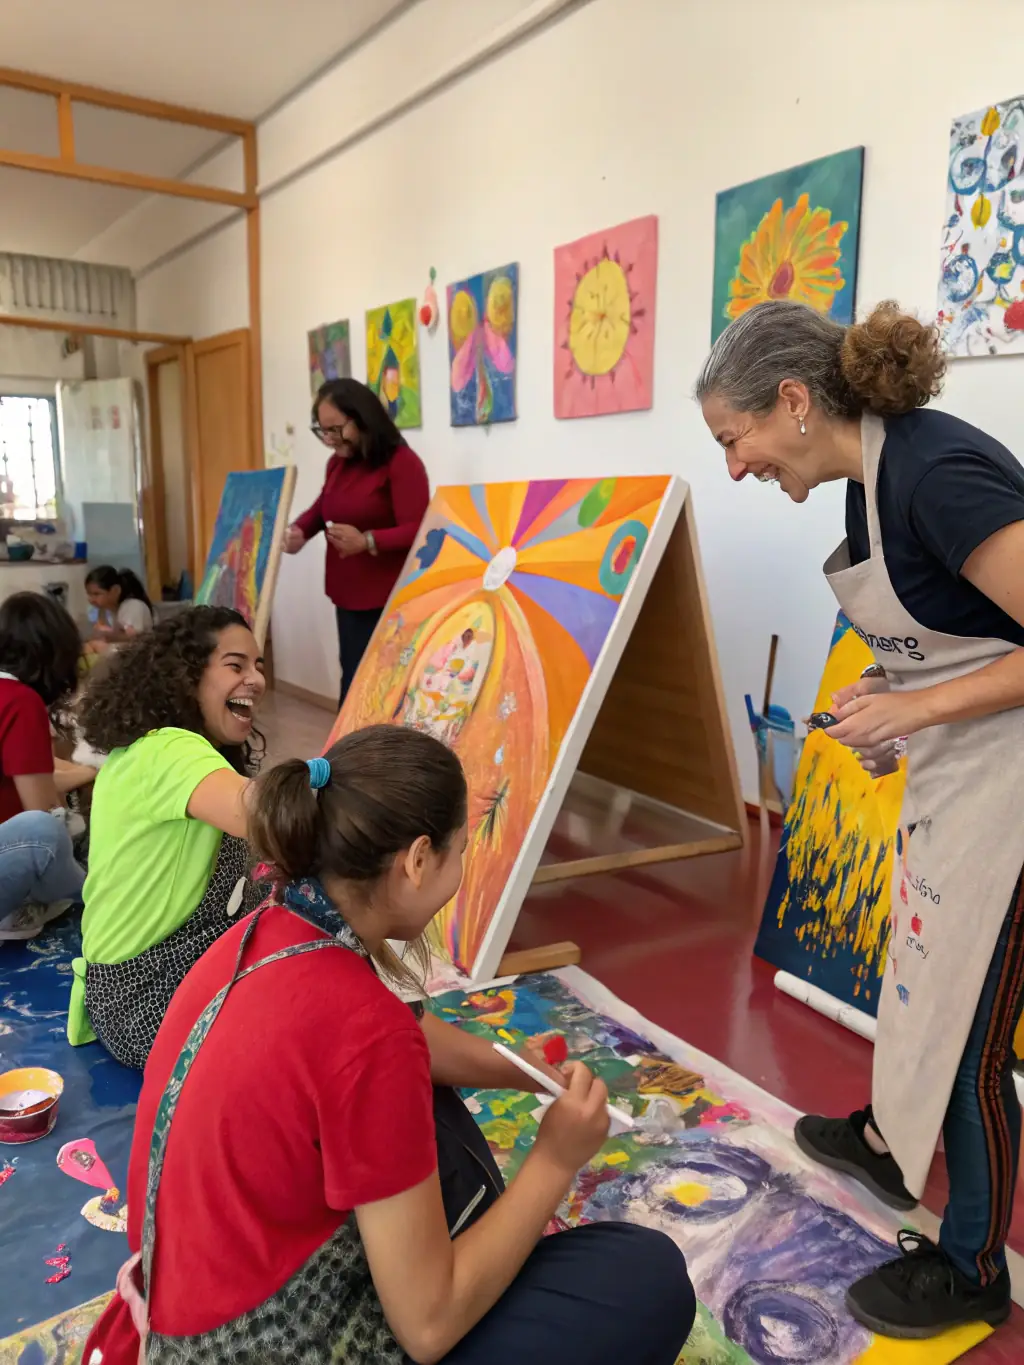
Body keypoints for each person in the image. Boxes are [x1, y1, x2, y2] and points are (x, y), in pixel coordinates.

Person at [81, 724, 694, 1365]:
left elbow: (392, 1032)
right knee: (644, 1276)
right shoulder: (369, 1035)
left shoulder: (265, 929)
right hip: (266, 1342)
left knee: (436, 1118)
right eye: (460, 852)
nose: (459, 872)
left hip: (172, 1325)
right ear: (417, 859)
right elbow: (428, 1329)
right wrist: (554, 1158)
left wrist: (517, 1070)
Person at [696, 298, 1024, 1339]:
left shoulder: (934, 473)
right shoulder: (866, 487)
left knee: (973, 1032)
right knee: (919, 971)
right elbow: (954, 633)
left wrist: (916, 707)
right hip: (967, 771)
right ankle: (890, 1139)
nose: (736, 467)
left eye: (732, 438)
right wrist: (884, 705)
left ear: (792, 402)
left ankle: (973, 1267)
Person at [69, 605, 268, 1067]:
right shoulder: (169, 748)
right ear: (186, 676)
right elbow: (272, 817)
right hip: (147, 998)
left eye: (259, 666)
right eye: (235, 665)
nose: (256, 680)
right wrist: (341, 777)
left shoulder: (165, 749)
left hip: (138, 988)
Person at [283, 377, 430, 707]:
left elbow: (420, 529)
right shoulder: (337, 463)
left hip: (387, 598)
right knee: (352, 679)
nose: (330, 439)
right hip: (347, 594)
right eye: (323, 430)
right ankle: (350, 754)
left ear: (363, 418)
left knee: (383, 686)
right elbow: (324, 506)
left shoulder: (402, 463)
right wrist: (299, 532)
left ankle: (377, 756)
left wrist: (368, 541)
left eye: (336, 429)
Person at [0, 591, 94, 940]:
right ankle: (95, 893)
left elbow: (38, 769)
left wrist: (90, 772)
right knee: (50, 830)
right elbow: (41, 808)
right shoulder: (20, 702)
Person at [84, 564, 154, 656]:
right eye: (89, 595)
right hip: (128, 654)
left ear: (115, 590)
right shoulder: (107, 610)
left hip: (139, 655)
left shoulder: (133, 605)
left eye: (97, 594)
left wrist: (104, 635)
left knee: (95, 646)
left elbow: (133, 636)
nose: (91, 600)